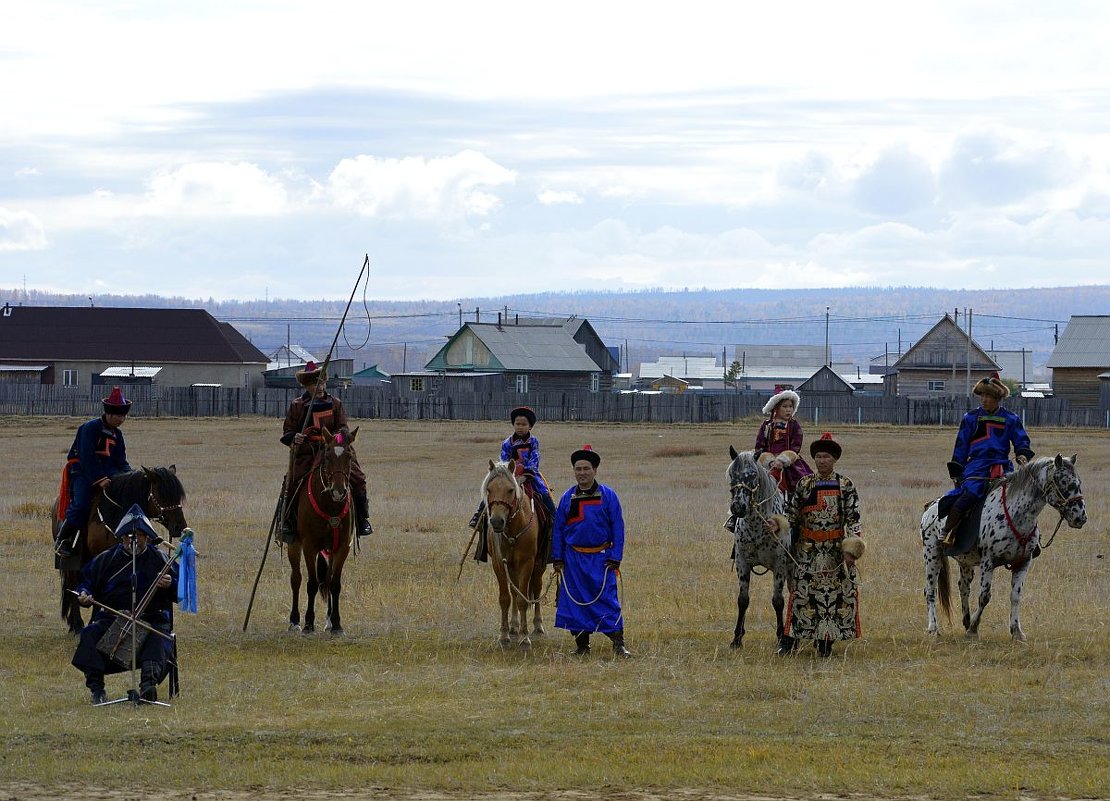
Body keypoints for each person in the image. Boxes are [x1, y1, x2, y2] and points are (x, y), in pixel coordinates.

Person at [71, 507, 178, 704]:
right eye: (129, 536)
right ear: (121, 538)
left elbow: (181, 592)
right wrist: (84, 595)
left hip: (151, 619)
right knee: (89, 634)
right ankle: (97, 690)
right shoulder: (105, 559)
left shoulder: (161, 559)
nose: (133, 540)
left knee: (157, 636)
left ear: (147, 537)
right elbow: (85, 584)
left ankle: (147, 686)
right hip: (112, 619)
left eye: (139, 535)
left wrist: (171, 583)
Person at [779, 432, 864, 658]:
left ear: (834, 459)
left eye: (826, 456)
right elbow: (792, 515)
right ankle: (790, 640)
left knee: (834, 598)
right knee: (801, 595)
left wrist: (851, 550)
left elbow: (853, 518)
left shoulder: (845, 485)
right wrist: (777, 525)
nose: (821, 460)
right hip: (807, 550)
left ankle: (825, 642)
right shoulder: (804, 484)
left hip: (834, 551)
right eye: (817, 456)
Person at [279, 362, 372, 543]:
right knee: (291, 481)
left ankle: (362, 520)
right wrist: (295, 438)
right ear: (307, 386)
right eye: (315, 384)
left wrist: (334, 441)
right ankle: (287, 523)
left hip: (335, 450)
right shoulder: (298, 405)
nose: (320, 387)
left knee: (359, 478)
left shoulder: (335, 404)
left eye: (322, 383)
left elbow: (344, 428)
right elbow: (287, 433)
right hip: (308, 452)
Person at [551, 445, 630, 658]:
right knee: (575, 603)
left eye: (586, 468)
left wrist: (616, 556)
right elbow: (558, 529)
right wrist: (557, 557)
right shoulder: (567, 498)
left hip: (601, 560)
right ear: (574, 471)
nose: (582, 473)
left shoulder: (608, 496)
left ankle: (618, 645)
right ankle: (582, 647)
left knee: (606, 600)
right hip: (573, 560)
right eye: (578, 469)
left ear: (595, 470)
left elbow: (618, 527)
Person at [940, 372, 1034, 547]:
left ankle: (1028, 540)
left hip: (1002, 466)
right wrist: (957, 471)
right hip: (976, 467)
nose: (983, 399)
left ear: (998, 398)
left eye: (988, 396)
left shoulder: (1011, 419)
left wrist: (1022, 454)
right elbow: (961, 445)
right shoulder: (970, 418)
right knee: (970, 494)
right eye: (982, 395)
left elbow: (1021, 440)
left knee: (1019, 497)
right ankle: (947, 532)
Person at [54, 386, 134, 558]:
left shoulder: (118, 435)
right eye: (119, 416)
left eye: (124, 416)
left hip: (110, 474)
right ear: (109, 414)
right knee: (82, 504)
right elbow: (86, 456)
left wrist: (131, 477)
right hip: (83, 471)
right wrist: (99, 479)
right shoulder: (89, 428)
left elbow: (121, 461)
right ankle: (64, 539)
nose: (122, 419)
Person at [469, 406, 557, 562]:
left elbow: (534, 459)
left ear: (530, 426)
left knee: (544, 495)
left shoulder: (533, 441)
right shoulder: (507, 443)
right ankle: (479, 518)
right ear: (513, 425)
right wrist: (508, 474)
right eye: (517, 424)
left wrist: (526, 475)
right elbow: (502, 461)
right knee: (491, 497)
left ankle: (554, 521)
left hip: (529, 477)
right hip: (509, 477)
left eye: (524, 424)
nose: (520, 427)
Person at [754, 389, 813, 493]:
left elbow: (796, 445)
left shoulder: (794, 425)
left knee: (804, 483)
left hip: (790, 462)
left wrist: (782, 460)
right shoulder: (767, 426)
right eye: (784, 406)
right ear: (776, 408)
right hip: (769, 463)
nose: (788, 410)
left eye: (790, 406)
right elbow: (759, 445)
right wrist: (769, 461)